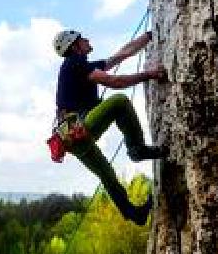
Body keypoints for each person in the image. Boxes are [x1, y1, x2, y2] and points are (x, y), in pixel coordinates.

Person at [52, 29, 168, 225]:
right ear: (74, 46)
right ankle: (137, 149)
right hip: (77, 130)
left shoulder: (79, 65)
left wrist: (148, 37)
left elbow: (122, 55)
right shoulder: (75, 63)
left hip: (69, 139)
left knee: (107, 175)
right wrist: (149, 74)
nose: (87, 39)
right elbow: (115, 81)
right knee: (120, 102)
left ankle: (133, 214)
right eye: (82, 39)